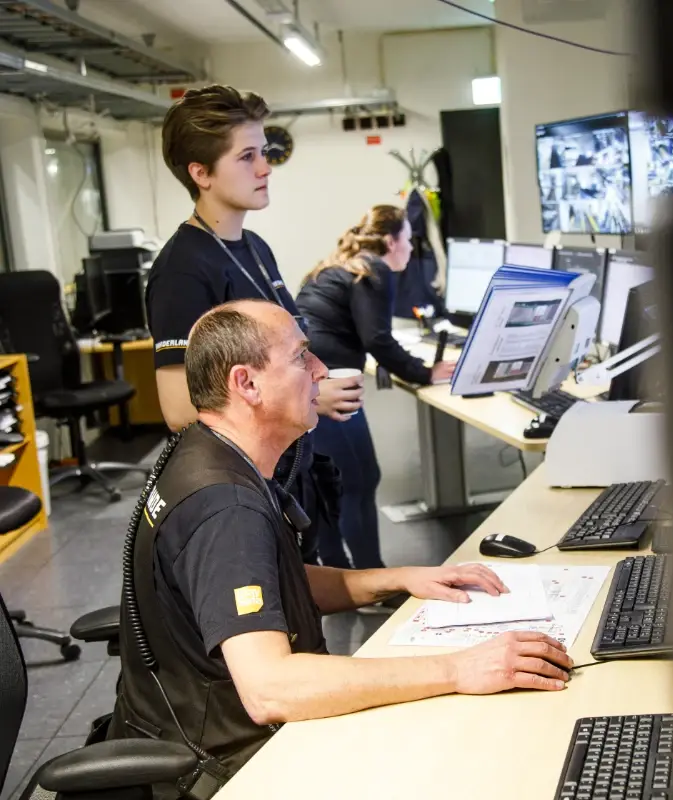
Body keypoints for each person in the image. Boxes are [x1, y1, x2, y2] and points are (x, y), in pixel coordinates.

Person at [108, 300, 572, 797]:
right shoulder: (226, 510)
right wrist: (458, 668)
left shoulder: (208, 454)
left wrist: (398, 578)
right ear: (246, 384)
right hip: (228, 767)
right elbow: (270, 688)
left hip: (187, 727)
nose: (320, 370)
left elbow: (264, 582)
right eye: (301, 356)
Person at [144, 84, 360, 565]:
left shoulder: (255, 249)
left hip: (290, 474)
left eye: (263, 153)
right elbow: (179, 408)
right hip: (245, 491)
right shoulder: (183, 270)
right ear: (200, 173)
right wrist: (305, 396)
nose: (265, 168)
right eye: (247, 157)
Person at [295, 205, 455, 575]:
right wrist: (425, 373)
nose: (411, 249)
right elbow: (378, 340)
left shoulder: (341, 265)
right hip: (331, 384)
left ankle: (337, 571)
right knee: (359, 479)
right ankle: (371, 577)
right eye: (408, 240)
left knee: (329, 482)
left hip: (308, 378)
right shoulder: (374, 269)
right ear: (390, 241)